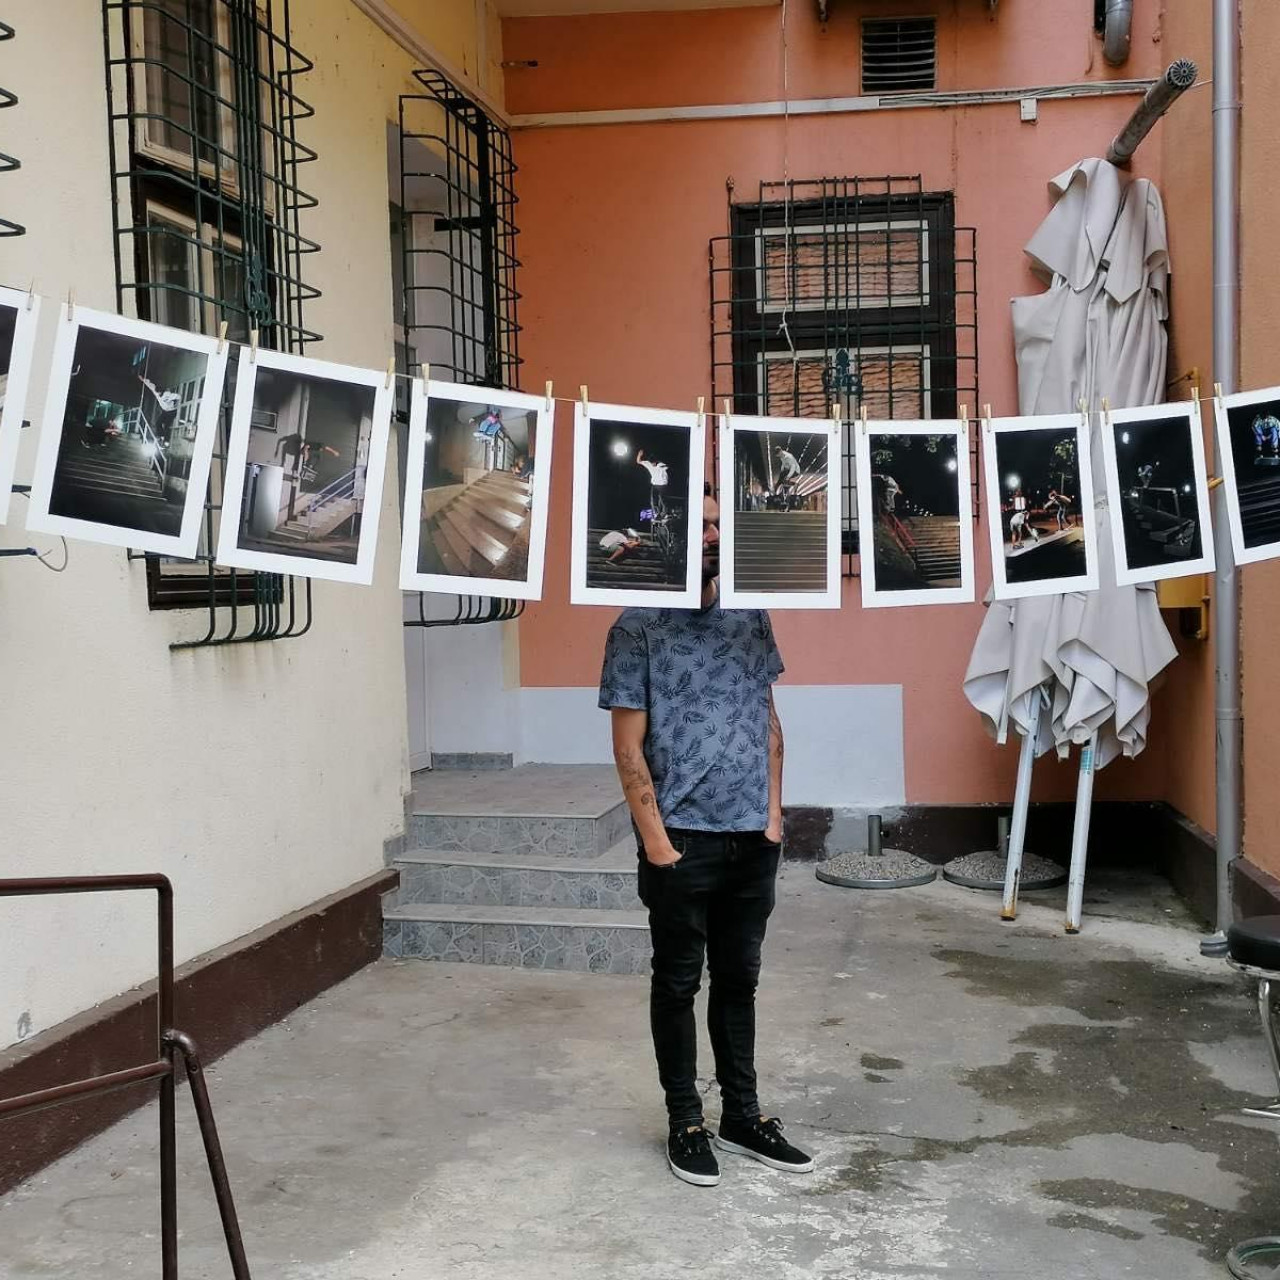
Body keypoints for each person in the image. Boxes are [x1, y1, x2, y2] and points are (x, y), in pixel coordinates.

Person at [598, 484, 814, 1189]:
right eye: (702, 525)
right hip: (682, 842)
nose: (716, 535)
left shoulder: (751, 613)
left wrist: (773, 816)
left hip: (752, 837)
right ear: (668, 534)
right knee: (677, 983)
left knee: (739, 981)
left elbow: (768, 717)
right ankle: (686, 1121)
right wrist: (657, 845)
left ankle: (742, 1116)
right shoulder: (637, 626)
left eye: (720, 524)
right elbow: (627, 747)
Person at [137, 373, 180, 446]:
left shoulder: (168, 394)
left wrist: (175, 402)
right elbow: (150, 385)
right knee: (158, 423)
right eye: (158, 393)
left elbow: (178, 396)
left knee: (167, 426)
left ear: (162, 392)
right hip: (165, 411)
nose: (159, 395)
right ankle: (161, 436)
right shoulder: (156, 392)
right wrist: (142, 379)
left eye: (160, 394)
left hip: (172, 412)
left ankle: (166, 441)